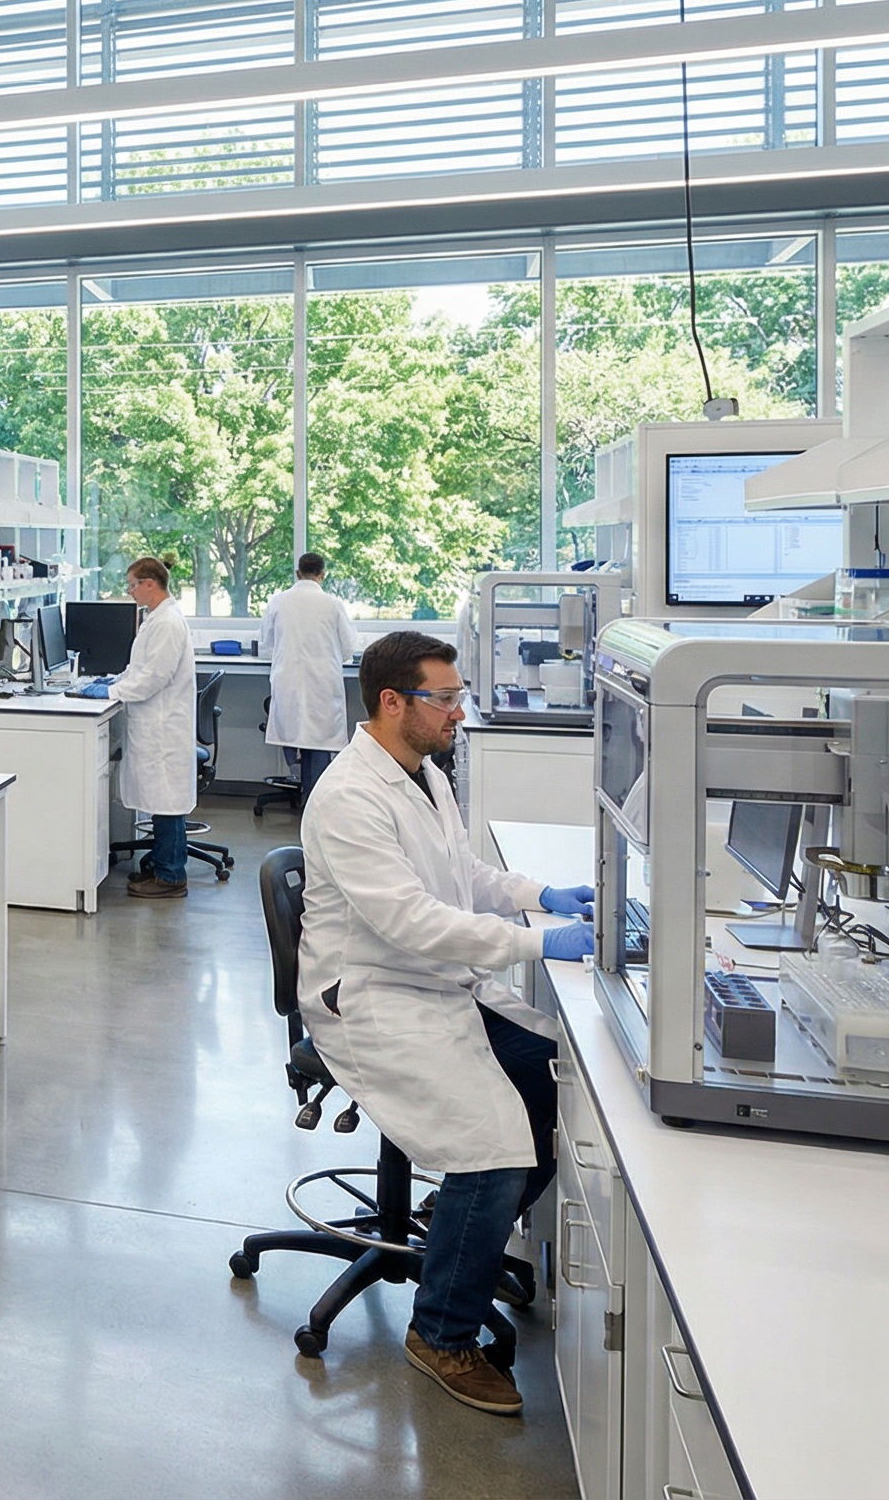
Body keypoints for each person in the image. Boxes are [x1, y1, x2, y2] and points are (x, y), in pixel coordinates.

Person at [296, 630, 595, 1417]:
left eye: (458, 696)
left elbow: (459, 875)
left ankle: (457, 1226)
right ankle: (442, 1333)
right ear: (392, 702)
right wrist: (537, 942)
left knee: (554, 1080)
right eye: (446, 698)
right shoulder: (349, 796)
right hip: (369, 996)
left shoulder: (423, 770)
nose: (460, 711)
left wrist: (541, 894)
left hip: (432, 982)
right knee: (494, 1145)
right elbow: (412, 921)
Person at [77, 556, 196, 899]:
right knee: (161, 800)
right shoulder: (156, 619)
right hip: (156, 724)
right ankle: (163, 863)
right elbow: (140, 668)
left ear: (149, 584)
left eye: (132, 585)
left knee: (166, 803)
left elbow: (153, 679)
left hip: (163, 729)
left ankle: (172, 876)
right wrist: (116, 679)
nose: (129, 592)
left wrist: (111, 691)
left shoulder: (167, 623)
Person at [260, 552, 361, 799]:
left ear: (298, 573)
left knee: (293, 734)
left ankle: (303, 785)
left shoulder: (278, 602)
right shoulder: (333, 604)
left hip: (288, 683)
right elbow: (348, 650)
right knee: (319, 742)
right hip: (322, 684)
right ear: (322, 575)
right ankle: (314, 801)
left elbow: (265, 647)